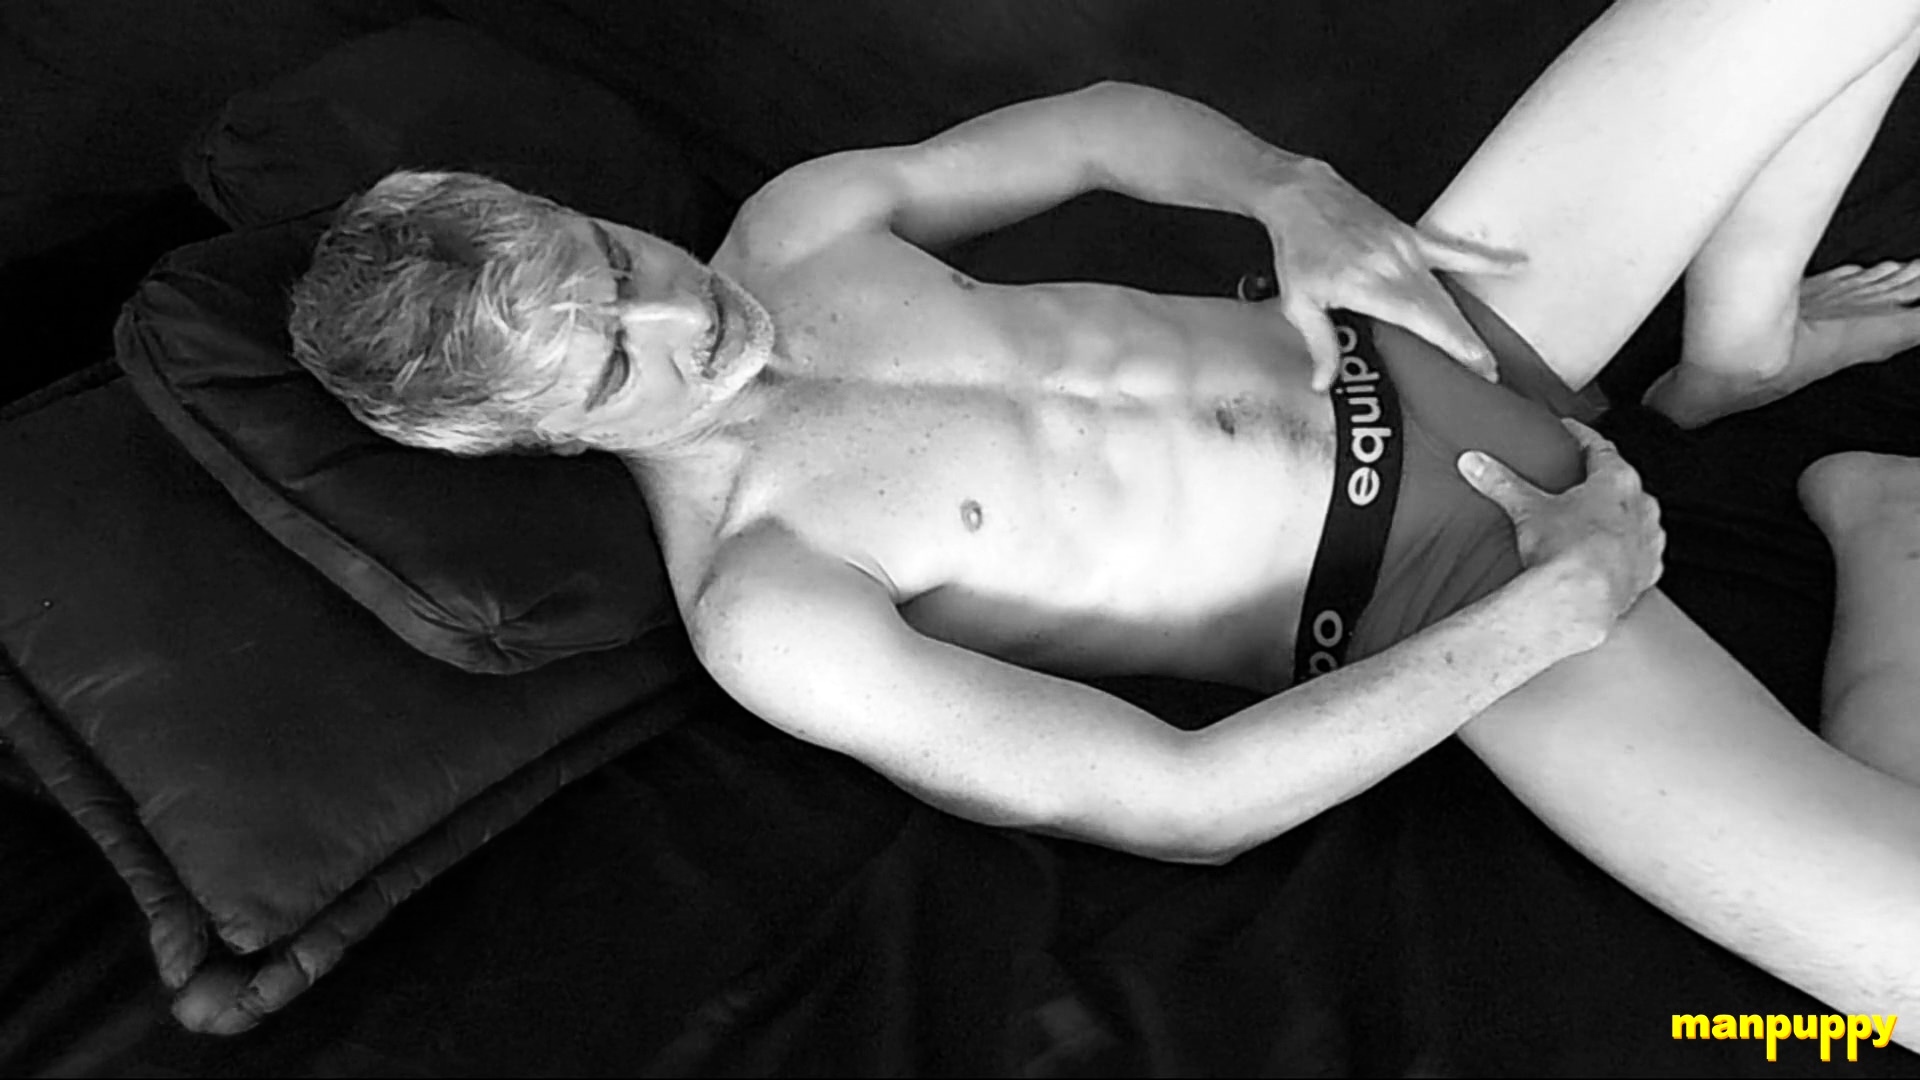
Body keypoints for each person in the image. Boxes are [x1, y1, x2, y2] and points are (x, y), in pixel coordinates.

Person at [290, 0, 1920, 1033]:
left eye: (616, 260)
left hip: (1419, 319)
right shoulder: (766, 604)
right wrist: (1549, 613)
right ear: (538, 439)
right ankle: (1882, 525)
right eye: (609, 358)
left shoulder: (797, 226)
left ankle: (1741, 354)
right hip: (1445, 587)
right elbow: (1181, 804)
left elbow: (1092, 126)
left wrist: (1291, 195)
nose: (682, 314)